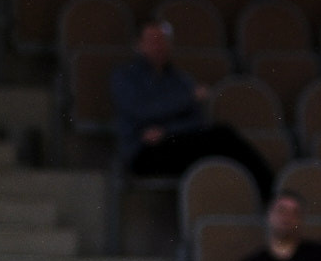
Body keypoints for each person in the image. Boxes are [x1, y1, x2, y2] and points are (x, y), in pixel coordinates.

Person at [110, 19, 273, 196]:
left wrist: (167, 130)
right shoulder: (125, 77)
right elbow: (142, 111)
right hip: (142, 152)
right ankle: (270, 193)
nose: (158, 46)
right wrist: (186, 99)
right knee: (221, 139)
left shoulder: (181, 80)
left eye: (163, 40)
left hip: (176, 142)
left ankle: (266, 192)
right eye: (152, 40)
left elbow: (197, 121)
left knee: (223, 137)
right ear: (139, 45)